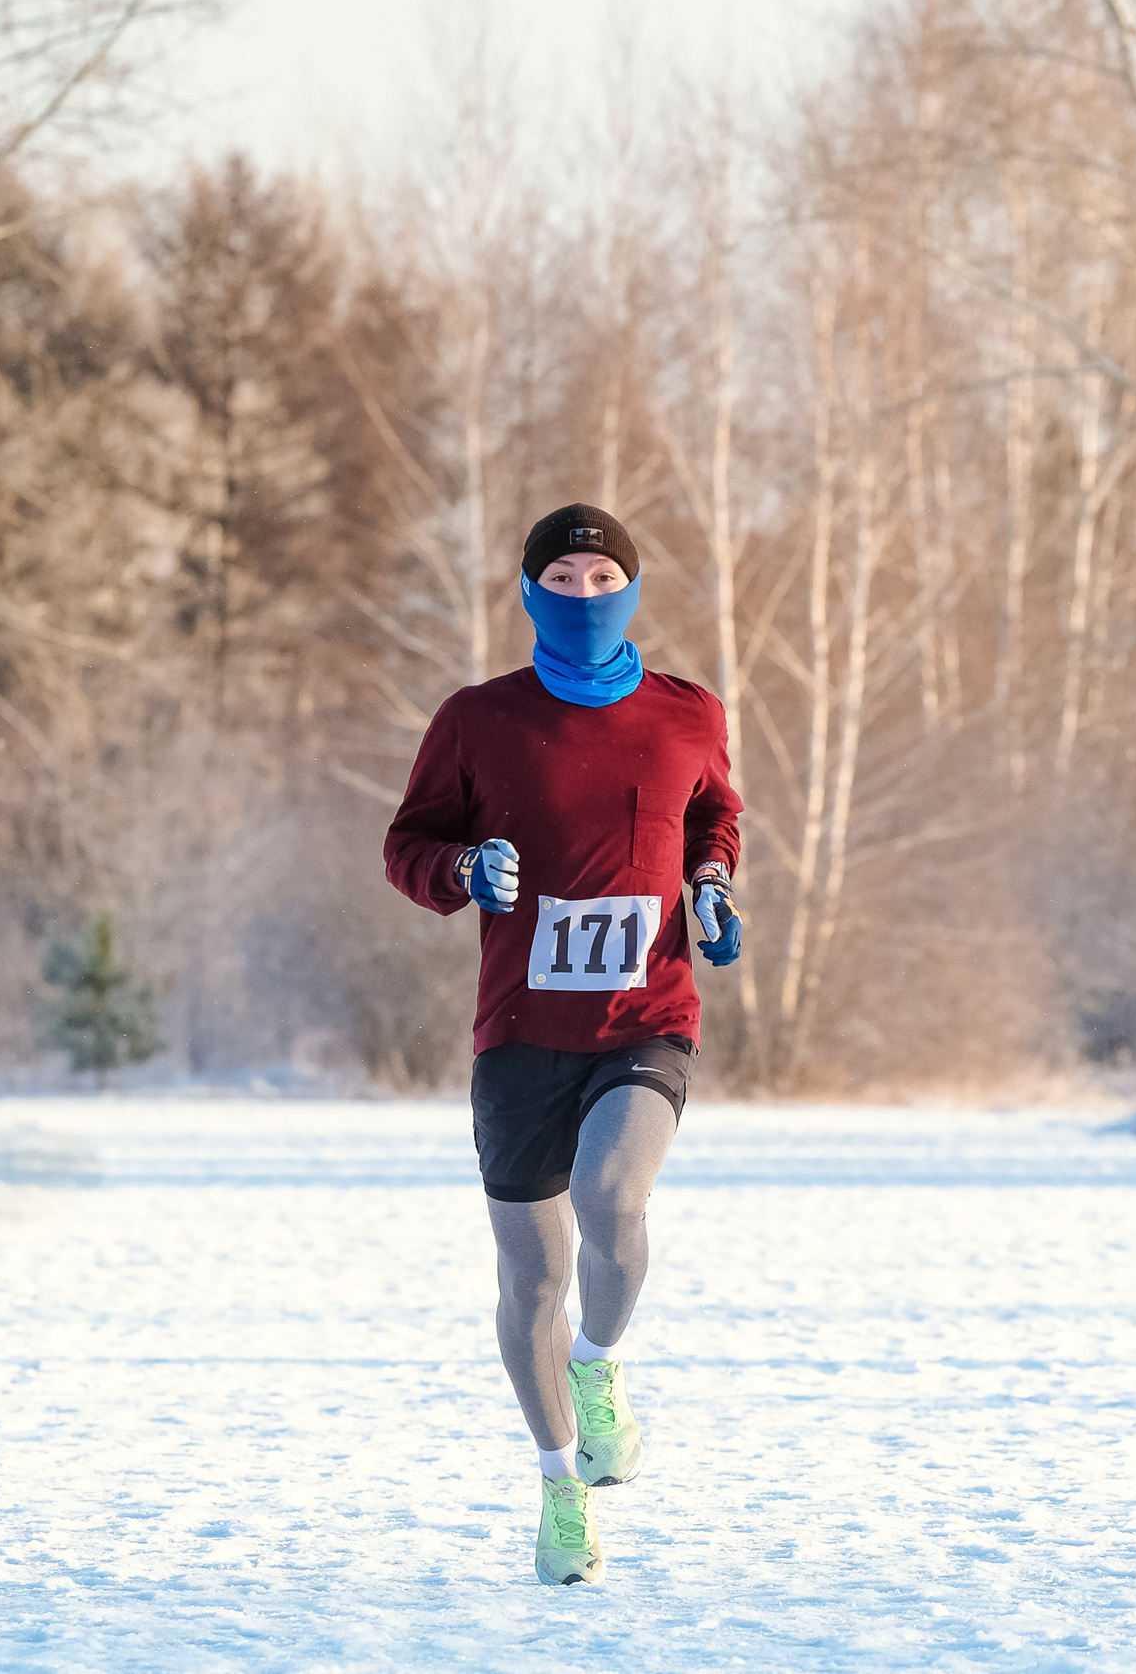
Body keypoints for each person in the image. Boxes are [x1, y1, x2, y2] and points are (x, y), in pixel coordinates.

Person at [384, 503, 745, 1586]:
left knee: (612, 1197)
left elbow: (711, 815)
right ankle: (559, 1488)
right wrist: (459, 875)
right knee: (531, 1276)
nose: (583, 595)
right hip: (519, 1037)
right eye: (563, 578)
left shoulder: (687, 713)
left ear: (631, 591)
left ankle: (599, 1367)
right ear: (532, 593)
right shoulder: (478, 719)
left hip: (647, 1017)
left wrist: (713, 884)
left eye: (602, 577)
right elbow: (409, 843)